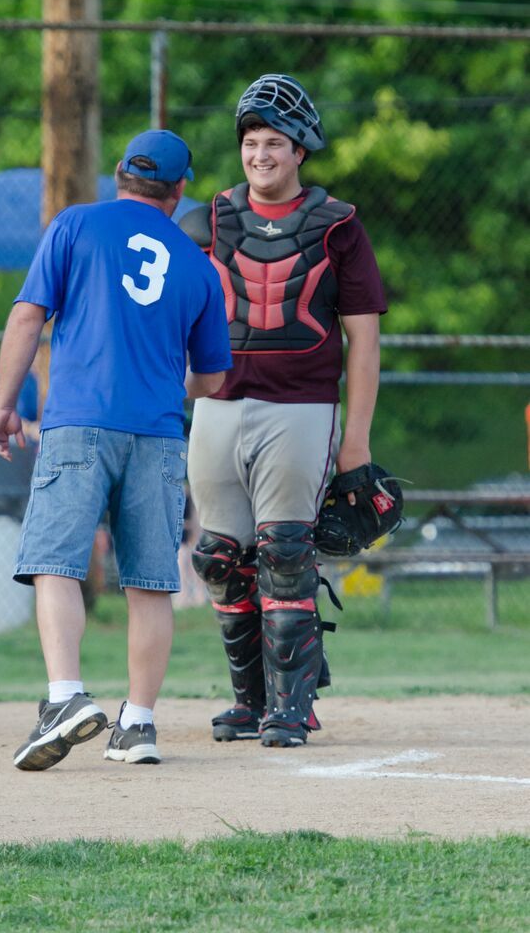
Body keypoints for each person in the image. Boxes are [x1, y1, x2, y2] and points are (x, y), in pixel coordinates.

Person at [0, 129, 232, 770]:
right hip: (157, 435)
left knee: (56, 564)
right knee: (151, 582)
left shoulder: (76, 225)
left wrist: (4, 406)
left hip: (78, 422)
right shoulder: (198, 263)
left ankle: (65, 697)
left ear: (120, 171)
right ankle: (140, 724)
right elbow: (212, 380)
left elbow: (25, 317)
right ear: (179, 191)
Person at [180, 74, 387, 748]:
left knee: (286, 553)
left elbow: (364, 339)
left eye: (274, 143)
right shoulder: (210, 220)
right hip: (218, 401)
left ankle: (291, 708)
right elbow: (170, 309)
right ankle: (251, 700)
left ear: (301, 152)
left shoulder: (339, 226)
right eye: (250, 142)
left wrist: (355, 440)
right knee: (217, 556)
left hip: (300, 404)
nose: (259, 154)